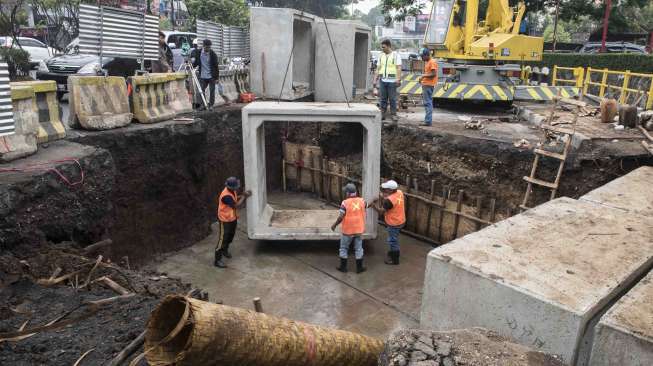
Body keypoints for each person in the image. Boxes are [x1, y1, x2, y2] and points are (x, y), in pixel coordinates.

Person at [215, 177, 251, 268]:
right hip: (225, 220)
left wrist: (242, 195)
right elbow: (236, 205)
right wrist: (244, 196)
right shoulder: (226, 195)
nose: (237, 188)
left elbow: (234, 198)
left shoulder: (231, 191)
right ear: (231, 187)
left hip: (232, 218)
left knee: (230, 236)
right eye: (236, 186)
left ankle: (225, 250)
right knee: (222, 239)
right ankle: (217, 260)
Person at [331, 183, 367, 274]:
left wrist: (335, 225)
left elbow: (341, 217)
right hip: (359, 230)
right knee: (359, 248)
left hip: (347, 231)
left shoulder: (345, 203)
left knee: (343, 248)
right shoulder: (362, 201)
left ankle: (343, 268)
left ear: (348, 193)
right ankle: (359, 268)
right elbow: (366, 206)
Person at [368, 180, 405, 265]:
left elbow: (381, 212)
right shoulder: (399, 192)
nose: (384, 190)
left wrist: (374, 206)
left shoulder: (389, 201)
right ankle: (392, 252)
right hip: (401, 220)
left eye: (386, 189)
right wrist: (382, 197)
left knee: (393, 241)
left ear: (391, 190)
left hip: (394, 223)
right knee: (394, 238)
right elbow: (390, 198)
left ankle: (395, 260)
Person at [375, 39, 402, 123]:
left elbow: (398, 68)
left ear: (389, 46)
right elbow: (378, 68)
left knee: (392, 98)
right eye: (382, 47)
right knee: (383, 98)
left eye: (384, 47)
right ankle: (383, 113)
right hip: (383, 80)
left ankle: (393, 114)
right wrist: (375, 79)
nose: (382, 49)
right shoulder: (381, 55)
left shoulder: (395, 55)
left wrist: (398, 79)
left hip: (392, 81)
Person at [193, 39, 220, 108]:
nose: (208, 49)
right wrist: (191, 65)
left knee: (212, 91)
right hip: (202, 75)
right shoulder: (199, 53)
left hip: (211, 76)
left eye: (209, 47)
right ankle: (203, 105)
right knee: (201, 91)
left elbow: (216, 66)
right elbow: (196, 62)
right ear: (203, 46)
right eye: (206, 47)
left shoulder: (213, 54)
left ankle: (211, 105)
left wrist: (217, 78)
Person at [419, 47, 438, 126]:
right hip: (426, 84)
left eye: (422, 56)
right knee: (427, 102)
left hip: (428, 85)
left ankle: (428, 121)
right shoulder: (428, 62)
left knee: (428, 103)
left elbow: (433, 74)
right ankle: (427, 120)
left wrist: (423, 76)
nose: (421, 58)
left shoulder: (432, 62)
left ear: (427, 55)